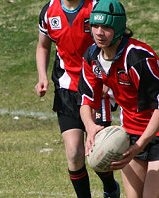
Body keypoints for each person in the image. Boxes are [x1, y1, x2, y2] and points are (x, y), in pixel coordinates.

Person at [78, 0, 159, 197]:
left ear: (119, 28)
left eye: (106, 27)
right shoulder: (92, 56)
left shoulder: (137, 58)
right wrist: (90, 127)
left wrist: (138, 146)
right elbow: (87, 100)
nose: (99, 32)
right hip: (131, 128)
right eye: (94, 26)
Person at [34, 0, 120, 197]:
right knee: (74, 153)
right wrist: (42, 77)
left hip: (96, 88)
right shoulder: (49, 11)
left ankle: (110, 187)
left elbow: (115, 42)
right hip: (66, 89)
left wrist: (108, 76)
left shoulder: (96, 7)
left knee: (99, 153)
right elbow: (43, 47)